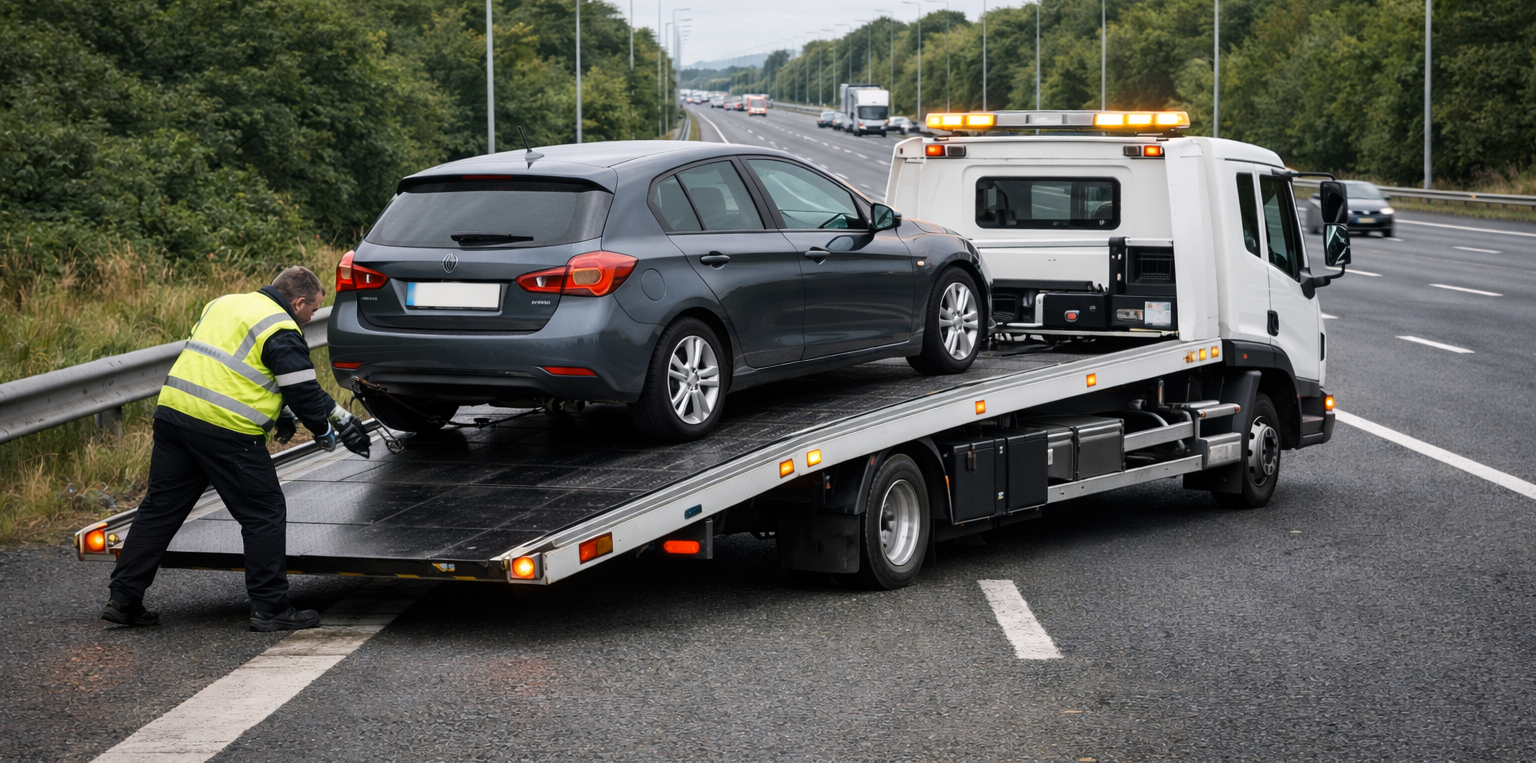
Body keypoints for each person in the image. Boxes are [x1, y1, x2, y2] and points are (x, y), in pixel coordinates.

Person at [102, 266, 372, 632]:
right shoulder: (281, 327)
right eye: (313, 310)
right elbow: (303, 389)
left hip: (174, 417)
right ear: (298, 302)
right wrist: (334, 425)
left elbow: (234, 370)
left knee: (159, 509)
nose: (312, 317)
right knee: (263, 512)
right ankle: (271, 608)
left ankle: (123, 600)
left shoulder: (224, 303)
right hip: (226, 431)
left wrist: (283, 412)